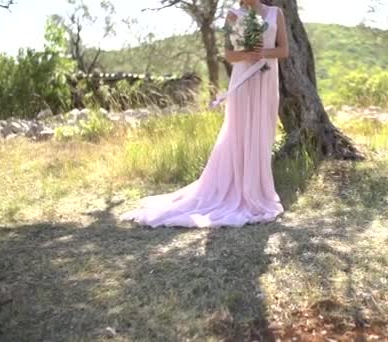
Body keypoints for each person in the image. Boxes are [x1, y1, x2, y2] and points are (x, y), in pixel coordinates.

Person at [119, 0, 289, 228]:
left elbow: (283, 50)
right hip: (242, 80)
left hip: (266, 81)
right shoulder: (232, 16)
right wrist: (247, 53)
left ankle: (258, 191)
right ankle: (237, 190)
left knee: (262, 132)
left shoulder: (275, 13)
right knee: (238, 133)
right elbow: (229, 55)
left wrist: (263, 51)